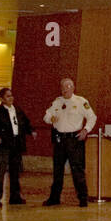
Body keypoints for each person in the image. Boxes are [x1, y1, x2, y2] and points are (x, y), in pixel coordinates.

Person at [42, 78, 96, 207]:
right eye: (63, 87)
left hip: (74, 140)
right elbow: (46, 116)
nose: (65, 89)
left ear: (73, 88)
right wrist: (50, 119)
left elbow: (92, 117)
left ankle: (83, 198)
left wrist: (86, 130)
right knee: (57, 170)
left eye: (68, 86)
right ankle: (54, 198)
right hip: (60, 140)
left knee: (77, 170)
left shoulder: (81, 101)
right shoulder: (57, 102)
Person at [0, 87, 33, 207]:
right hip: (3, 146)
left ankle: (15, 196)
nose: (11, 98)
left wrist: (31, 131)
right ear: (1, 99)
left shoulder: (18, 110)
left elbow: (26, 123)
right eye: (7, 96)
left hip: (16, 144)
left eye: (11, 95)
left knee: (15, 172)